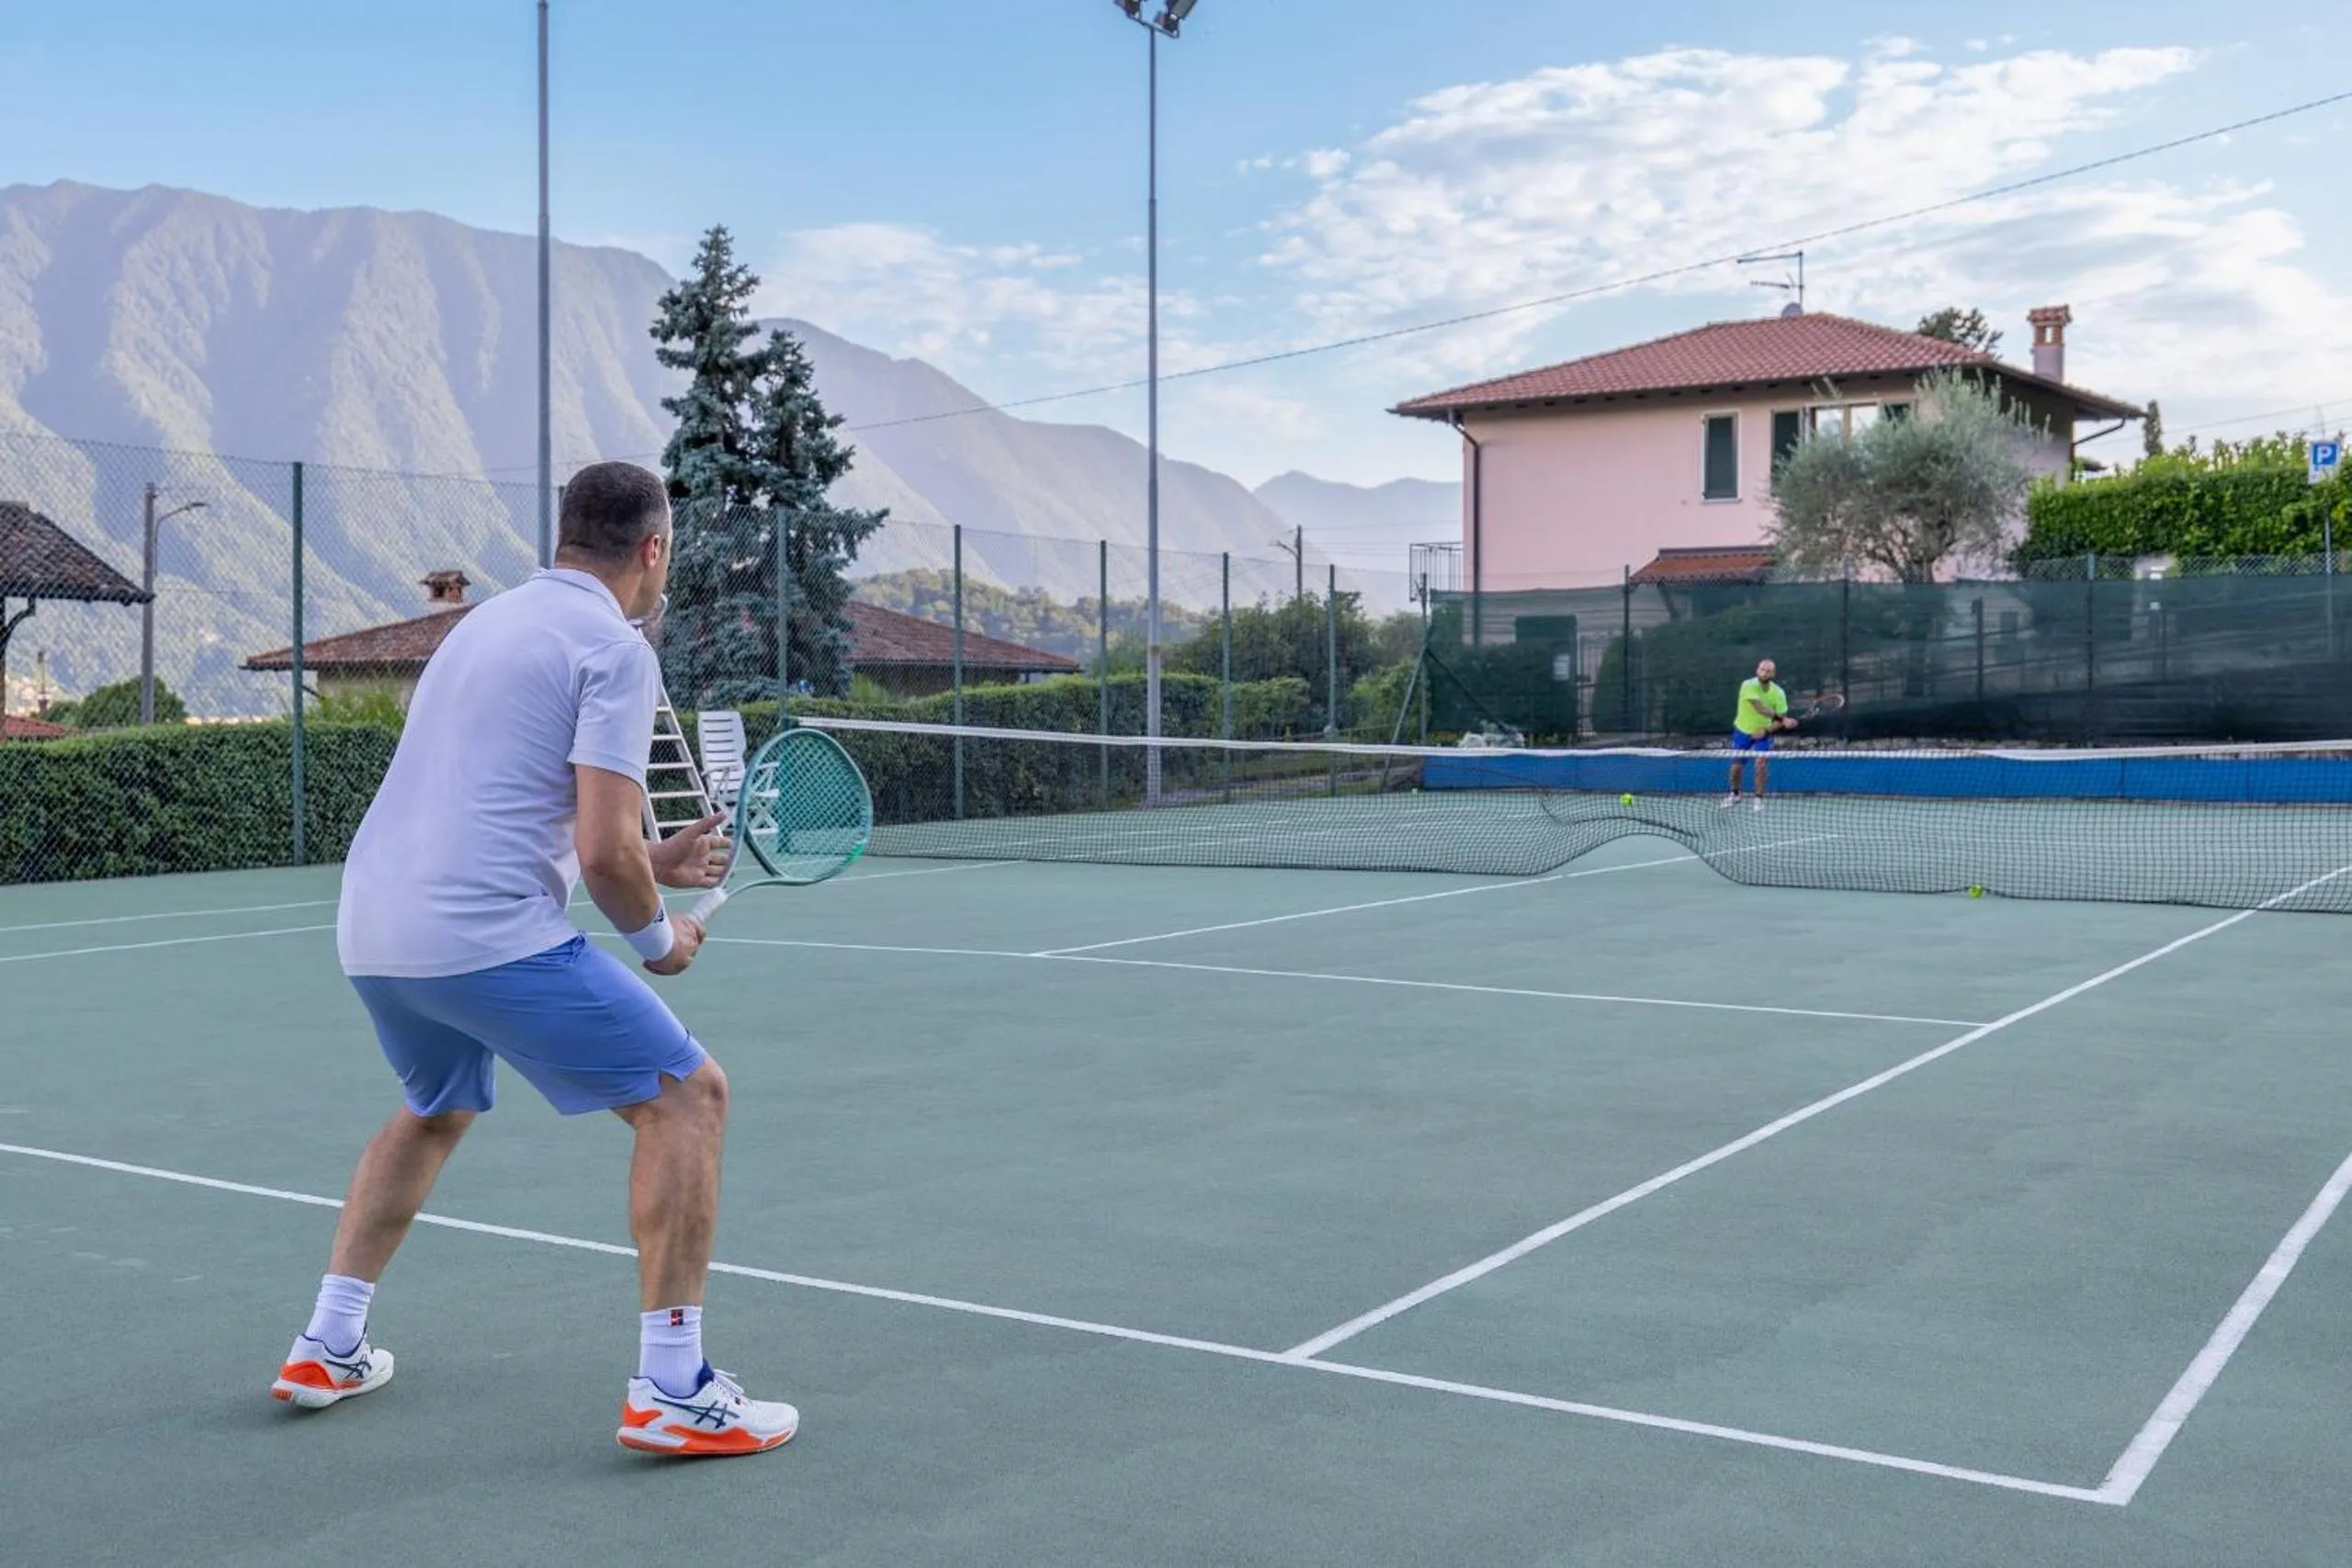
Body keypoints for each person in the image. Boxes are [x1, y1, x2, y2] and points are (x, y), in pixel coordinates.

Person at [270, 460, 797, 1458]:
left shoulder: (487, 624)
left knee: (438, 1107)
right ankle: (674, 1389)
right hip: (480, 932)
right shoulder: (614, 644)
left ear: (564, 537)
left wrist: (655, 859)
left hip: (374, 927)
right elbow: (600, 858)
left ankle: (327, 1344)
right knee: (689, 1097)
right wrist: (657, 938)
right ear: (653, 551)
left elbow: (524, 810)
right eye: (666, 553)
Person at [1723, 657, 1792, 812]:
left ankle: (1758, 799)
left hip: (1764, 734)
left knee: (1761, 764)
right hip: (1742, 731)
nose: (1764, 673)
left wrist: (1766, 731)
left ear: (1773, 674)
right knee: (1735, 768)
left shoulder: (1779, 693)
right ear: (1757, 670)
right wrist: (1782, 719)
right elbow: (1759, 708)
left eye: (1768, 671)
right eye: (1762, 669)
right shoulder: (1748, 685)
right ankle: (1735, 794)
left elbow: (1780, 721)